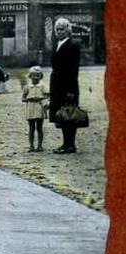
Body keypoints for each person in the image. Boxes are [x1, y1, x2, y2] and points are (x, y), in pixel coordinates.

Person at [49, 18, 83, 154]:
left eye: (62, 29)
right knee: (62, 115)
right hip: (57, 86)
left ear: (68, 30)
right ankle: (65, 143)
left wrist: (70, 90)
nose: (59, 32)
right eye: (57, 29)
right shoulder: (57, 44)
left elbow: (73, 69)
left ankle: (70, 145)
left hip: (68, 86)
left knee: (70, 115)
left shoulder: (73, 45)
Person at [22, 66, 48, 153]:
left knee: (39, 127)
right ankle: (31, 146)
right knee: (31, 128)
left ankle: (40, 146)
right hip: (31, 108)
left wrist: (43, 100)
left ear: (41, 76)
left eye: (38, 75)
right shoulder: (27, 87)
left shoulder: (43, 86)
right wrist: (29, 99)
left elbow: (47, 97)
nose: (36, 77)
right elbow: (23, 99)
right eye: (34, 75)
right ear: (30, 76)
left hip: (39, 107)